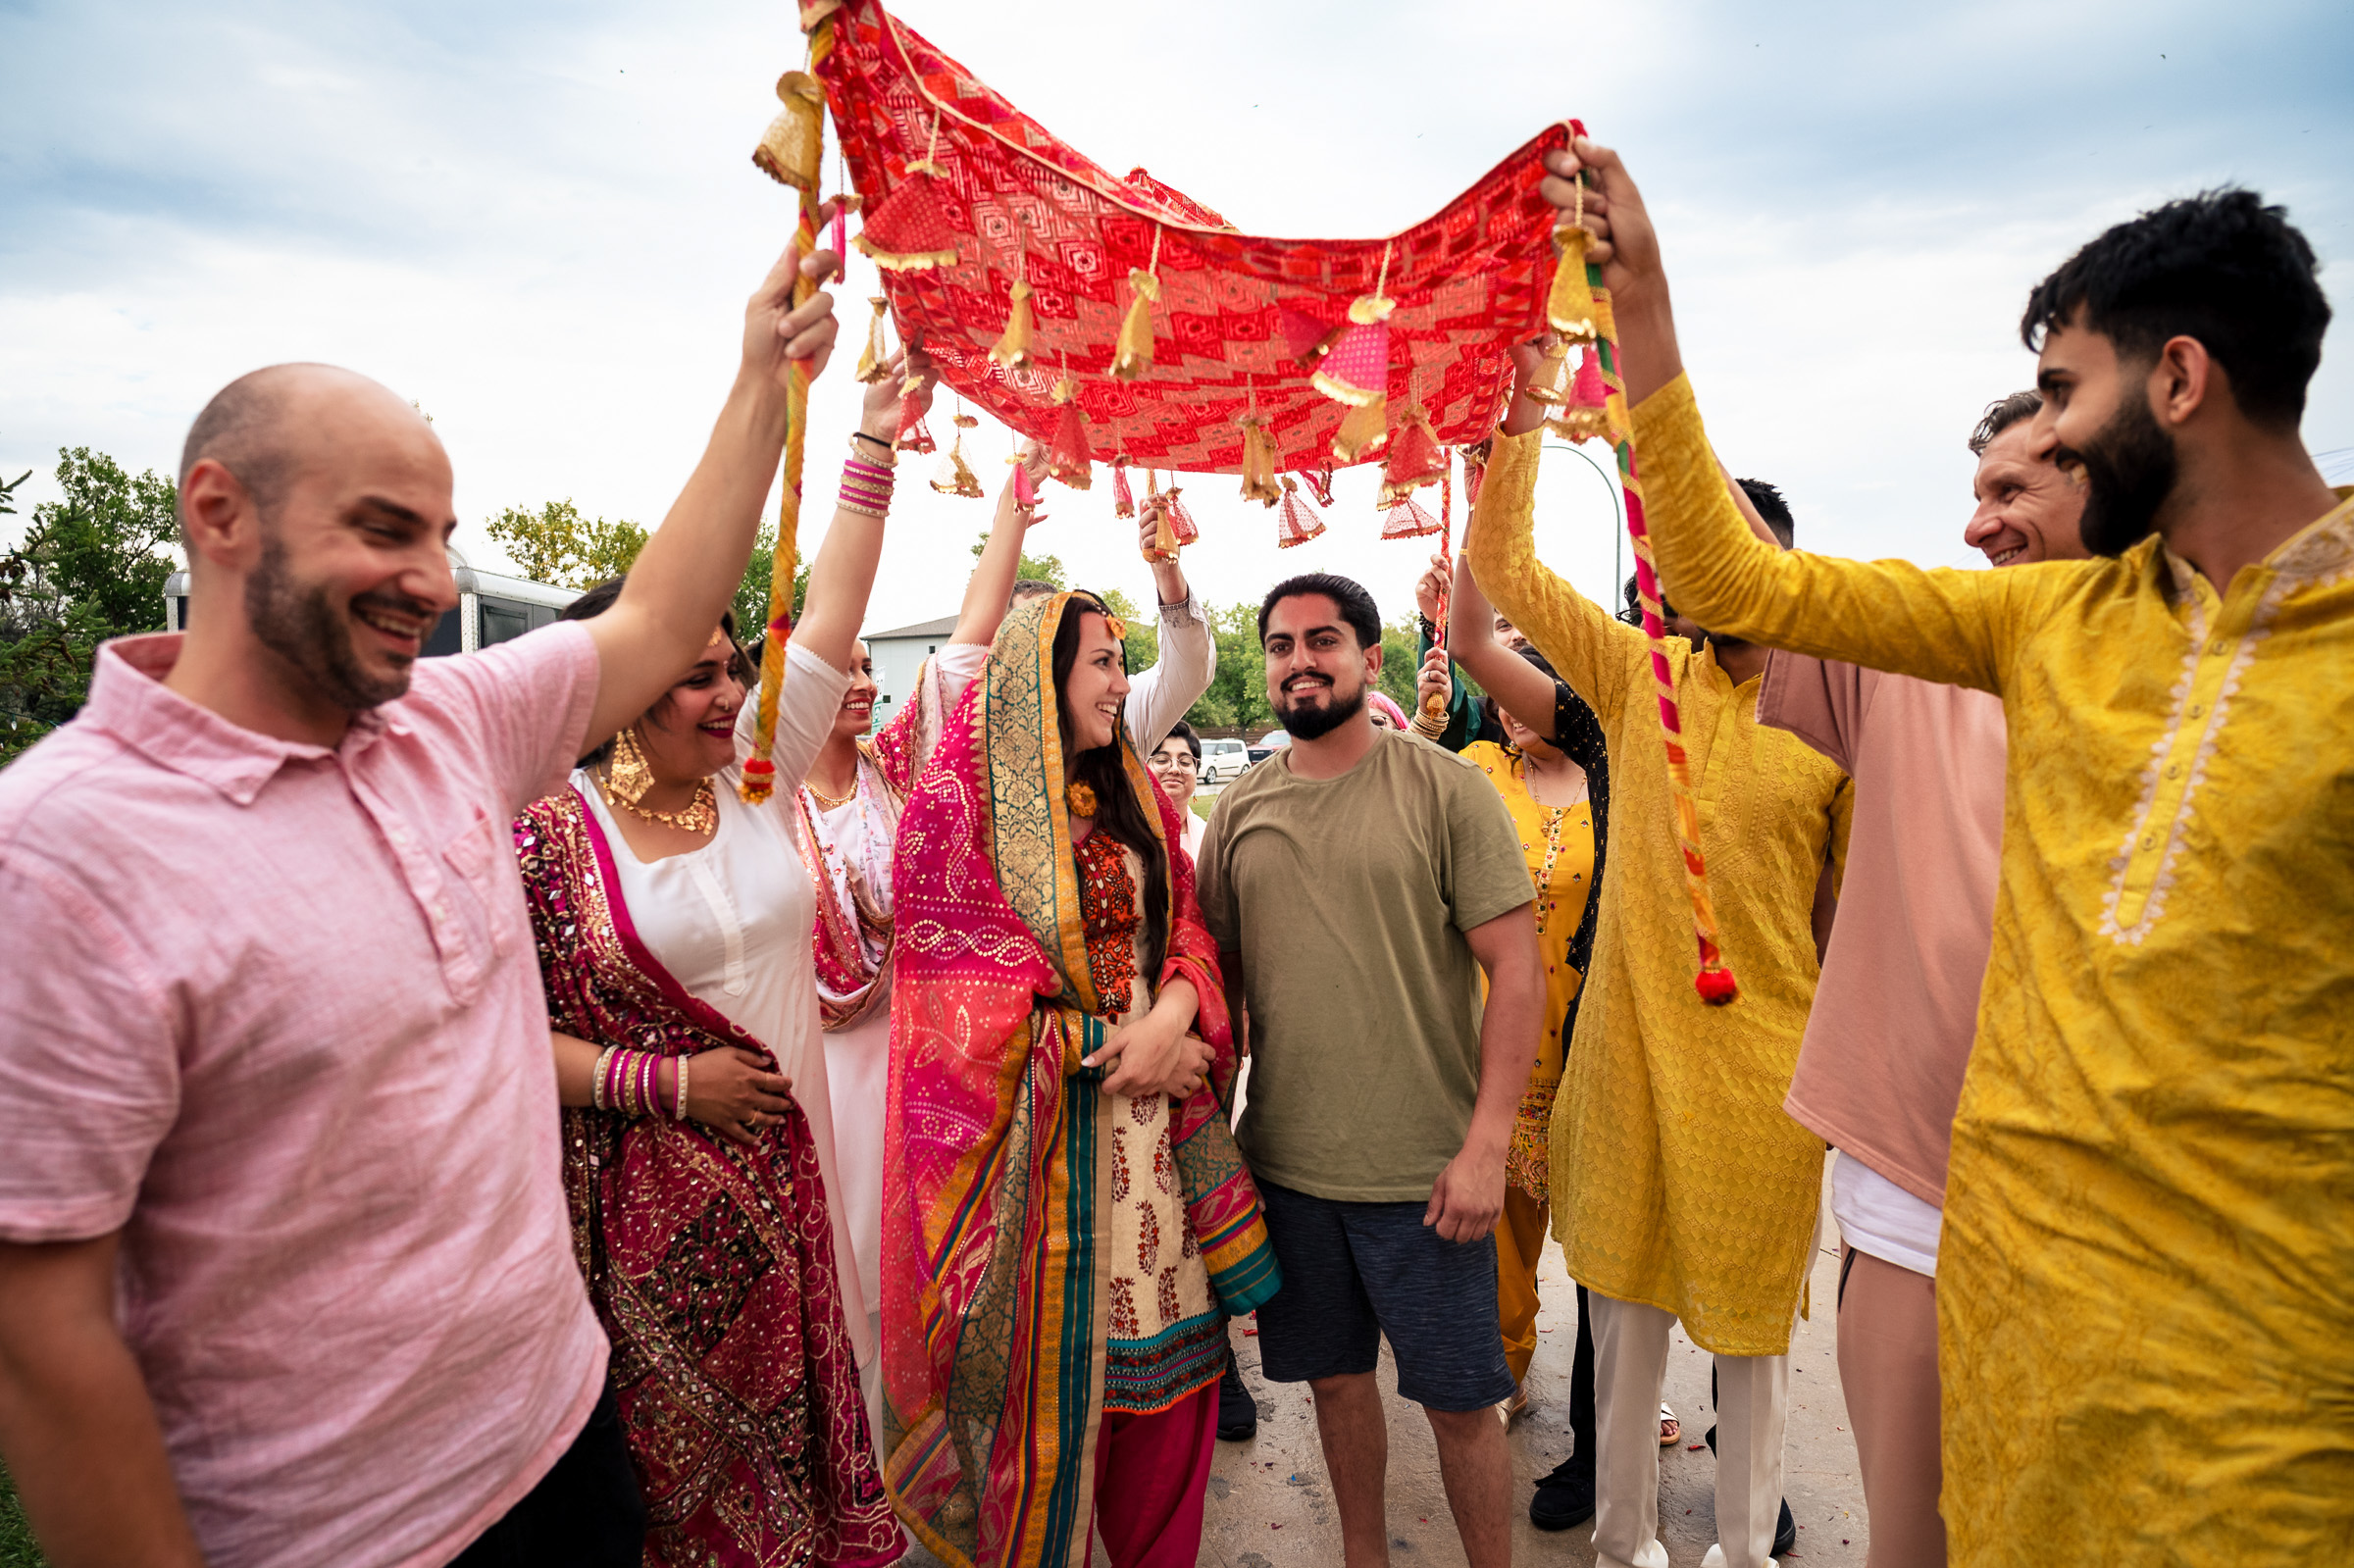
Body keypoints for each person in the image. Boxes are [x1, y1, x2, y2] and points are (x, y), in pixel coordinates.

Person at [1551, 135, 2352, 1563]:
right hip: (1986, 1262)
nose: (2038, 443)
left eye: (2062, 395)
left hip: (2256, 1346)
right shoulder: (2041, 624)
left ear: (2177, 382)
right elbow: (1738, 580)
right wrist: (1645, 309)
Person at [0, 236, 844, 1568]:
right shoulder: (64, 847)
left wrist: (759, 378)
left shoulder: (448, 721)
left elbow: (661, 607)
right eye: (384, 529)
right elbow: (40, 1326)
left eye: (442, 536)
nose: (437, 582)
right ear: (219, 513)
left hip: (567, 1435)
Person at [512, 350, 953, 1563]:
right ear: (618, 689)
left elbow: (832, 617)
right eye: (691, 672)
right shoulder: (547, 833)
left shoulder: (753, 780)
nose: (725, 691)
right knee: (669, 1489)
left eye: (728, 666)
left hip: (795, 1182)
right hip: (643, 1223)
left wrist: (869, 435)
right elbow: (486, 1041)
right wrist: (667, 1084)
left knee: (811, 1438)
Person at [1467, 359, 1851, 1568]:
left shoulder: (1842, 711)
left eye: (1727, 546)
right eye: (1684, 543)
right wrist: (1522, 422)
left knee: (1753, 1356)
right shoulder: (1642, 681)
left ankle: (1744, 1551)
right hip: (1626, 1078)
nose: (1698, 568)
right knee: (1621, 1351)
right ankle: (1621, 1546)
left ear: (1778, 567)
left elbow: (1843, 924)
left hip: (1761, 1095)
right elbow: (1510, 579)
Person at [880, 590, 1279, 1568]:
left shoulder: (1132, 788)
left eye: (1120, 659)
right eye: (1101, 662)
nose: (1120, 682)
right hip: (1041, 1169)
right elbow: (953, 1006)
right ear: (1036, 675)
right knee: (1047, 1413)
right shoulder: (954, 806)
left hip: (1158, 1152)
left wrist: (1180, 1020)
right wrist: (1118, 1044)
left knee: (1171, 1403)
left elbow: (1184, 920)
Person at [1757, 390, 2087, 1568]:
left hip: (2116, 1191)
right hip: (1919, 1178)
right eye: (1974, 493)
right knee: (1918, 1538)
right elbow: (1730, 578)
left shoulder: (2212, 675)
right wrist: (1625, 349)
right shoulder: (1913, 662)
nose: (1977, 527)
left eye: (2010, 493)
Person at [1197, 573, 1545, 1568]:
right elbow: (1217, 995)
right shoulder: (1241, 813)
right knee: (1335, 1387)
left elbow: (1516, 969)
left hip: (1427, 1179)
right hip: (1290, 1176)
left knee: (1461, 1403)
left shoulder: (1446, 789)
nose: (1300, 661)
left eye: (1323, 641)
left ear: (1369, 657)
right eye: (1280, 645)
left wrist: (1487, 1148)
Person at [794, 438, 1045, 1422]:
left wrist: (1015, 509)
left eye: (869, 669)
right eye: (842, 668)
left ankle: (903, 1460)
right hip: (806, 1070)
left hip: (903, 1064)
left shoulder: (897, 769)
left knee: (901, 1267)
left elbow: (971, 642)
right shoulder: (757, 792)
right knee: (827, 1274)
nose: (862, 683)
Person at [1411, 552, 1623, 1501]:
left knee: (1608, 1242)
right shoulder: (1470, 772)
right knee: (1491, 1237)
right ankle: (1500, 1369)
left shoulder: (1618, 786)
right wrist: (1432, 657)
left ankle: (1619, 1387)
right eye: (1494, 686)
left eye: (1524, 681)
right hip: (1486, 1046)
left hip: (1594, 1048)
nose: (1504, 704)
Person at [1004, 494, 1217, 753]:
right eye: (1033, 629)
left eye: (1058, 628)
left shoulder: (1116, 708)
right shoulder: (979, 725)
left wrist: (1166, 570)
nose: (1050, 641)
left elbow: (1192, 669)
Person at [1147, 718, 1206, 861]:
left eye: (1185, 762)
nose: (1174, 769)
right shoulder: (1124, 836)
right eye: (1161, 760)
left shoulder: (1209, 835)